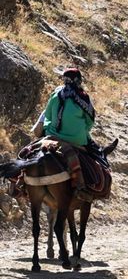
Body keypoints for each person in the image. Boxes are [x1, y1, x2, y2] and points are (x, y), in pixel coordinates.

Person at [41, 68, 96, 200]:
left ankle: (19, 181)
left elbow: (47, 115)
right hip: (76, 140)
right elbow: (90, 122)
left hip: (52, 136)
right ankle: (83, 186)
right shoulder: (84, 97)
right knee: (94, 156)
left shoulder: (56, 95)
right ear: (79, 80)